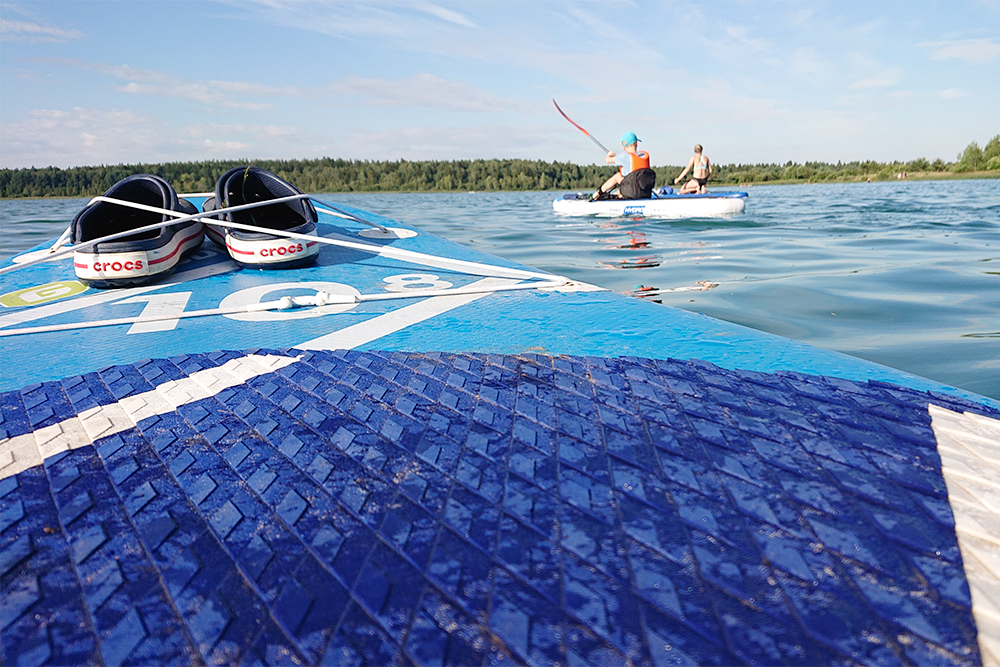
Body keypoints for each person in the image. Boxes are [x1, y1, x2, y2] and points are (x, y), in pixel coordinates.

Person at [592, 132, 656, 200]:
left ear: (623, 146)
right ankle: (614, 196)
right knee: (622, 185)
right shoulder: (645, 155)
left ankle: (598, 192)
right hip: (645, 192)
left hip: (631, 191)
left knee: (618, 176)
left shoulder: (624, 157)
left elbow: (608, 160)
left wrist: (610, 154)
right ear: (637, 143)